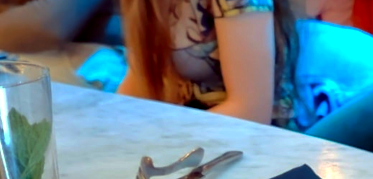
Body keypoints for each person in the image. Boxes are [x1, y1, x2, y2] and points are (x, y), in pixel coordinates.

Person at [118, 0, 299, 129]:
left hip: (250, 146)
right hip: (183, 132)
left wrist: (160, 135)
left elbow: (251, 112)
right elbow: (138, 80)